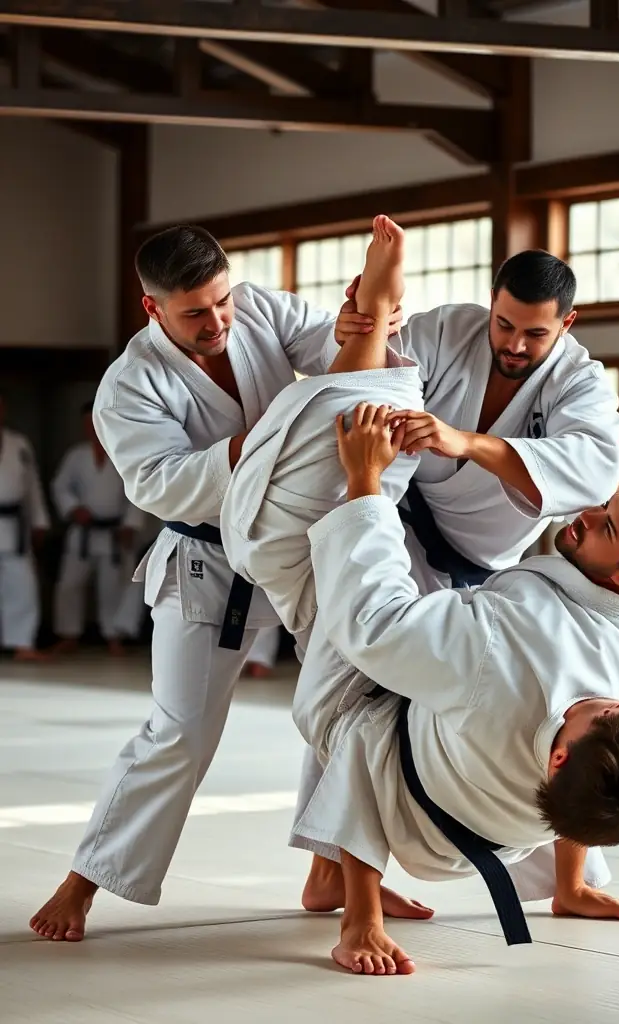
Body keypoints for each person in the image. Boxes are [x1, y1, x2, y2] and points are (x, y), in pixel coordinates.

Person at [30, 223, 402, 942]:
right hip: (208, 562)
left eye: (222, 301)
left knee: (346, 706)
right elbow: (163, 485)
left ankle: (334, 867)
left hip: (299, 543)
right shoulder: (129, 387)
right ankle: (84, 882)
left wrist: (358, 321)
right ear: (152, 309)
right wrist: (270, 439)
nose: (219, 321)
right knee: (179, 733)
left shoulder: (257, 306)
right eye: (195, 312)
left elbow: (335, 358)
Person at [290, 406, 619, 974]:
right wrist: (465, 443)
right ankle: (572, 887)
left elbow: (373, 623)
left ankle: (356, 911)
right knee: (608, 785)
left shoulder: (499, 659)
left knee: (363, 714)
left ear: (557, 756)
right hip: (513, 824)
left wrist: (364, 482)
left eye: (606, 524)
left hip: (415, 810)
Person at [51, 402, 145, 656]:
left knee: (112, 585)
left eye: (94, 422)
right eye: (86, 424)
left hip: (114, 533)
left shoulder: (123, 454)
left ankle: (113, 636)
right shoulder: (76, 456)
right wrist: (72, 508)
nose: (90, 429)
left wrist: (130, 524)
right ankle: (68, 634)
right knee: (69, 584)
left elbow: (137, 493)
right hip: (82, 532)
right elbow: (60, 487)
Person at [0, 393, 50, 662]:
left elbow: (32, 487)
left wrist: (39, 521)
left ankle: (22, 643)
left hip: (14, 526)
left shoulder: (18, 444)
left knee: (22, 584)